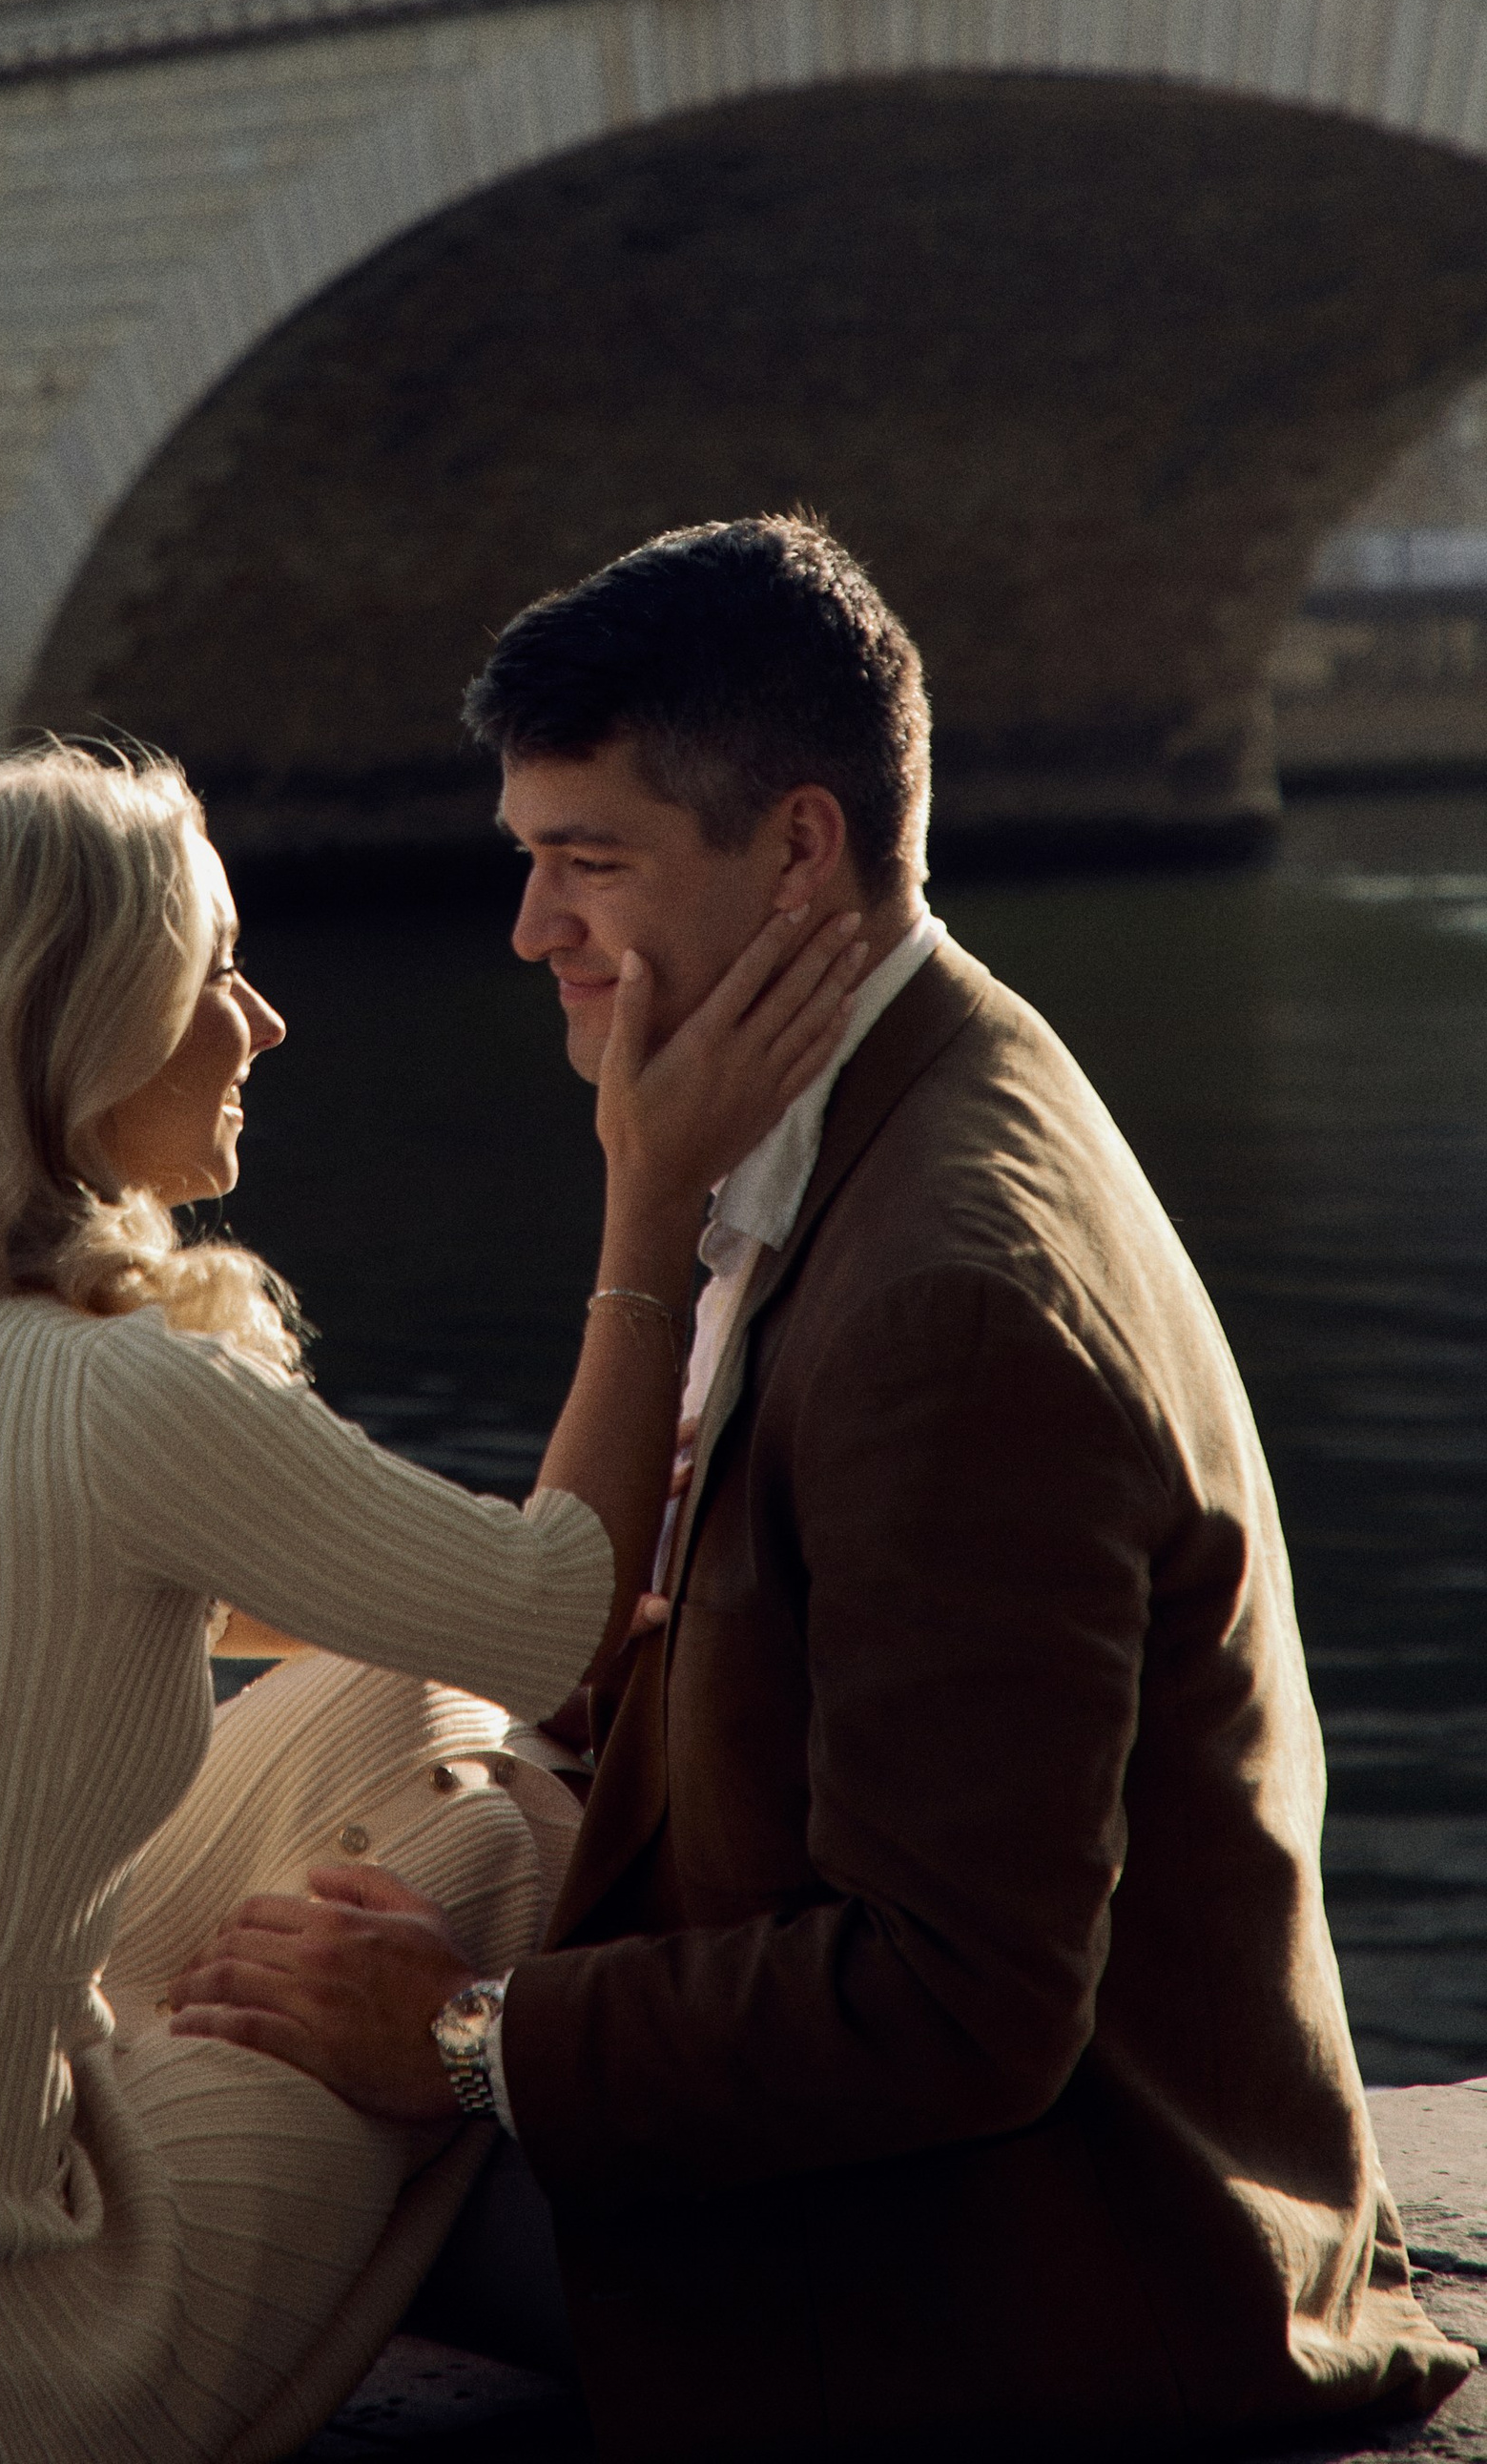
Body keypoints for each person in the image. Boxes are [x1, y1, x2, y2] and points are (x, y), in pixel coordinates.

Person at [170, 518, 1477, 2463]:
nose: (529, 931)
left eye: (582, 865)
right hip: (993, 2194)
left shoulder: (942, 1301)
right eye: (524, 861)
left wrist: (454, 2039)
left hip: (1016, 2275)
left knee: (177, 2187)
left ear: (797, 852)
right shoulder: (902, 1099)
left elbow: (955, 2003)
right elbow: (665, 1656)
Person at [0, 738, 862, 2464]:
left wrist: (490, 1598)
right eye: (211, 975)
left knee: (397, 1696)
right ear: (74, 1030)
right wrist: (654, 1190)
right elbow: (554, 1616)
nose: (263, 1021)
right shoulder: (116, 1401)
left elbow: (336, 1615)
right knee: (498, 1834)